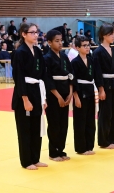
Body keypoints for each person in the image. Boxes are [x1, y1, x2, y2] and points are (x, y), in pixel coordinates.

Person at [11, 23, 48, 170]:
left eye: (36, 32)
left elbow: (43, 74)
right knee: (25, 129)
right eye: (32, 32)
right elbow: (18, 77)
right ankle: (26, 161)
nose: (35, 35)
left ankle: (35, 158)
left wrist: (43, 98)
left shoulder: (38, 51)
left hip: (37, 91)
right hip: (24, 93)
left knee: (36, 127)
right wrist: (25, 99)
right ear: (24, 34)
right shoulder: (19, 52)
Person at [92, 23, 114, 149]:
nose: (113, 36)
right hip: (105, 85)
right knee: (105, 113)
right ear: (103, 35)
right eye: (111, 34)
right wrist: (101, 89)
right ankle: (104, 140)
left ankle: (112, 139)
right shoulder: (97, 52)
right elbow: (97, 72)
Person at [44, 29, 73, 162]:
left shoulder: (65, 57)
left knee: (64, 124)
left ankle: (61, 149)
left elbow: (71, 75)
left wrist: (71, 92)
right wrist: (58, 96)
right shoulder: (47, 58)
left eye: (61, 40)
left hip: (66, 92)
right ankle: (53, 152)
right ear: (49, 42)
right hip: (53, 95)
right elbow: (47, 79)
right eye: (57, 41)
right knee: (54, 123)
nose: (60, 43)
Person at [71, 35, 99, 155]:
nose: (87, 47)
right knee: (80, 121)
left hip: (90, 90)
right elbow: (73, 81)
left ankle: (89, 146)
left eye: (88, 45)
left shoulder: (92, 60)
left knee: (90, 120)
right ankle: (81, 148)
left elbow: (96, 76)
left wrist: (100, 90)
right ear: (77, 47)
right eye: (84, 45)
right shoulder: (74, 62)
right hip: (80, 91)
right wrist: (76, 97)